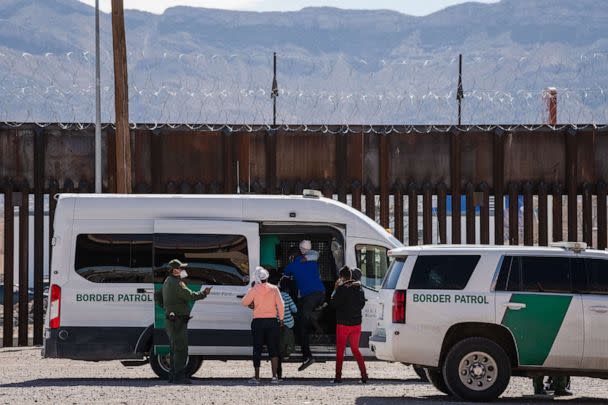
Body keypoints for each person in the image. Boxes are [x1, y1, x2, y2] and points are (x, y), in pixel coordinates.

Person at [154, 259, 211, 384]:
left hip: (171, 319)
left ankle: (173, 376)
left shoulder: (167, 281)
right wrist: (204, 293)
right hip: (178, 320)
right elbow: (190, 295)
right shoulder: (177, 283)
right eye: (180, 268)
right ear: (174, 270)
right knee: (181, 349)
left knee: (174, 348)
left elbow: (157, 295)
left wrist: (166, 307)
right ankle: (179, 377)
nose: (182, 270)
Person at [284, 240, 326, 371]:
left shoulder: (291, 266)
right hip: (321, 293)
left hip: (309, 296)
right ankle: (318, 328)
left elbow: (285, 278)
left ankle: (307, 356)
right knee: (305, 314)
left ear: (291, 257)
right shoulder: (312, 260)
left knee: (301, 326)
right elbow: (316, 254)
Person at [242, 266, 285, 384]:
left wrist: (251, 294)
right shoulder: (274, 288)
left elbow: (244, 302)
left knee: (257, 349)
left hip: (258, 322)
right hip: (272, 322)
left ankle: (256, 377)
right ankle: (274, 377)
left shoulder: (254, 289)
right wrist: (281, 319)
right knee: (273, 349)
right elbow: (281, 305)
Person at [331, 266, 368, 384]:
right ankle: (364, 375)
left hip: (343, 324)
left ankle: (338, 377)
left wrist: (335, 289)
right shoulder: (359, 289)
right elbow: (362, 304)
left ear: (342, 277)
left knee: (340, 351)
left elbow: (333, 303)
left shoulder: (341, 289)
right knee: (355, 350)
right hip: (356, 324)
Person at [277, 276, 298, 379]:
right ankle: (287, 351)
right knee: (288, 337)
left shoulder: (275, 295)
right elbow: (295, 310)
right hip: (288, 324)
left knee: (279, 343)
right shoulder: (287, 296)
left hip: (277, 323)